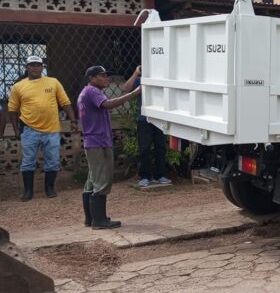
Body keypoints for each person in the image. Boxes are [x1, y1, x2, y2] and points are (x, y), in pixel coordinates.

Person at [78, 66, 141, 229]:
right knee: (103, 180)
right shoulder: (92, 92)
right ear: (92, 78)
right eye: (102, 76)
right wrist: (135, 93)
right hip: (99, 142)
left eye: (106, 75)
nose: (106, 78)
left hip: (93, 141)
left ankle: (91, 218)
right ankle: (99, 221)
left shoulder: (86, 92)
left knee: (92, 180)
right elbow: (108, 104)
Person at [7, 56, 76, 201]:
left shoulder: (53, 82)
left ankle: (50, 188)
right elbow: (12, 109)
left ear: (42, 67)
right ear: (27, 67)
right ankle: (28, 191)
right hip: (29, 129)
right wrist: (16, 129)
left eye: (38, 65)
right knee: (28, 161)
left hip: (51, 129)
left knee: (53, 160)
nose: (35, 68)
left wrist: (73, 120)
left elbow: (65, 102)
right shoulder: (18, 86)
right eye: (32, 65)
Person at [121, 65, 171, 188]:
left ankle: (160, 175)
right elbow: (125, 88)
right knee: (145, 149)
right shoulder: (140, 81)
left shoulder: (162, 80)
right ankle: (145, 176)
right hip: (144, 119)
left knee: (161, 147)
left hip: (160, 117)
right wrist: (136, 73)